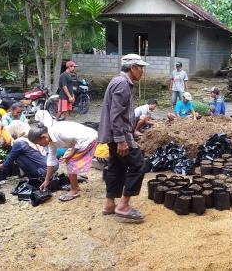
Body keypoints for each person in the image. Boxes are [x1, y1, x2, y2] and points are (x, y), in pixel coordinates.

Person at [98, 54, 148, 222]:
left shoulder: (117, 81)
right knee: (138, 165)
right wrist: (121, 140)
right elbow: (116, 114)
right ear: (133, 68)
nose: (142, 71)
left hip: (113, 135)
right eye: (141, 68)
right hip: (119, 135)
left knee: (116, 166)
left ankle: (109, 204)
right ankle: (123, 205)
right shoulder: (122, 84)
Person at [28, 121, 97, 201]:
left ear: (43, 137)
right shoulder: (51, 142)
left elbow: (81, 138)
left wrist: (71, 153)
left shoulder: (58, 133)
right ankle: (75, 186)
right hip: (78, 143)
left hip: (88, 139)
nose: (39, 145)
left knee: (71, 162)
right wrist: (47, 180)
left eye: (38, 143)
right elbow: (51, 160)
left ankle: (74, 190)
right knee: (68, 159)